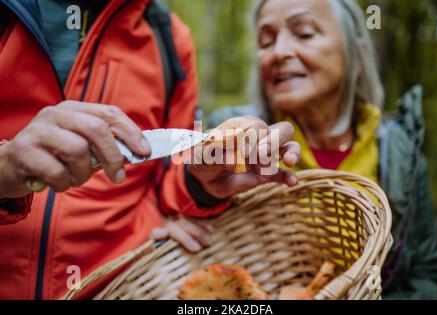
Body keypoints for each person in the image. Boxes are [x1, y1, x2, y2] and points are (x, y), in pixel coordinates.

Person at [0, 0, 300, 299]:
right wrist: (5, 168)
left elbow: (169, 179)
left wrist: (201, 182)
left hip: (130, 287)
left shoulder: (167, 34)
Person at [208, 0, 437, 299]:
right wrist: (191, 194)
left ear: (355, 57)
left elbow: (429, 274)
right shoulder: (233, 134)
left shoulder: (402, 154)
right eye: (266, 41)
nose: (279, 51)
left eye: (305, 33)